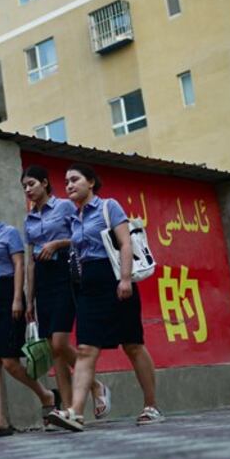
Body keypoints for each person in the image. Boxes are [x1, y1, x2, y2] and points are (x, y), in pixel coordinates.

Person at [48, 164, 164, 432]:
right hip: (88, 284)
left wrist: (124, 279)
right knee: (87, 348)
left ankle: (151, 405)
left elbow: (124, 243)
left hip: (114, 278)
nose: (69, 185)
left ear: (91, 182)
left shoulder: (108, 206)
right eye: (66, 181)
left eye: (75, 179)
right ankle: (76, 412)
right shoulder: (74, 218)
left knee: (132, 344)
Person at [21, 165, 111, 422]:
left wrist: (57, 243)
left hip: (65, 273)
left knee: (60, 342)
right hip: (43, 278)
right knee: (53, 350)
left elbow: (82, 236)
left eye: (32, 184)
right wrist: (30, 297)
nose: (28, 190)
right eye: (25, 186)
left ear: (45, 183)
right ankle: (69, 411)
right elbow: (30, 260)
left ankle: (95, 385)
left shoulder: (64, 207)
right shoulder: (29, 218)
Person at [0, 195, 59, 439]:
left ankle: (46, 395)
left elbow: (19, 265)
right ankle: (0, 420)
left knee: (9, 360)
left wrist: (18, 299)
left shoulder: (8, 233)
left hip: (8, 291)